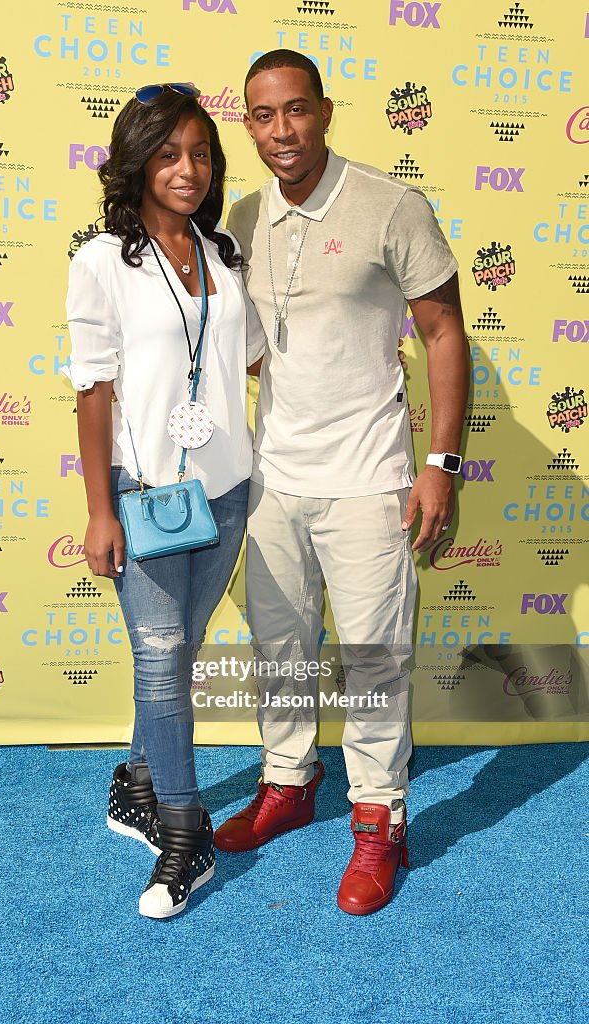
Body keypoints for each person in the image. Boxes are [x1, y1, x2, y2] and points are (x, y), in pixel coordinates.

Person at [213, 50, 470, 915]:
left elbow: (442, 333)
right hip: (273, 478)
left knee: (371, 664)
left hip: (370, 478)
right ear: (245, 123)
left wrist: (440, 465)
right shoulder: (241, 220)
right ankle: (289, 786)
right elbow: (251, 349)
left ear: (324, 112)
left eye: (294, 111)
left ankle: (379, 825)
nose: (279, 131)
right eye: (260, 115)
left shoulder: (392, 206)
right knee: (279, 652)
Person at [62, 83, 265, 919]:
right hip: (144, 497)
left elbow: (252, 359)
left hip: (225, 492)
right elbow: (92, 390)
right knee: (158, 661)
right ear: (138, 160)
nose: (189, 169)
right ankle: (185, 830)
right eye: (171, 153)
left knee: (180, 653)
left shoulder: (223, 254)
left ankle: (138, 779)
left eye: (202, 154)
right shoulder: (102, 259)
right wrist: (100, 509)